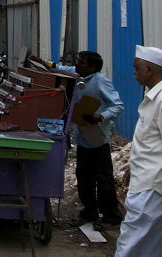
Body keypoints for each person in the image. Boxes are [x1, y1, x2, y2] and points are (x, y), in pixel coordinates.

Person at [115, 46, 162, 257]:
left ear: (150, 69)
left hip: (154, 188)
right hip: (147, 180)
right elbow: (151, 145)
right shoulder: (157, 97)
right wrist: (133, 168)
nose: (134, 73)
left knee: (131, 243)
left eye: (137, 68)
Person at [49, 51, 124, 225]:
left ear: (91, 67)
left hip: (98, 139)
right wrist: (50, 65)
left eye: (81, 62)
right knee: (84, 178)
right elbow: (66, 68)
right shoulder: (80, 76)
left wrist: (100, 116)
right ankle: (89, 211)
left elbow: (118, 106)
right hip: (83, 138)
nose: (77, 65)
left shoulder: (100, 81)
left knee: (104, 180)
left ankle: (111, 215)